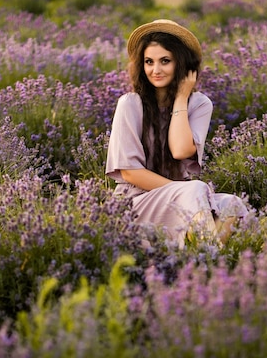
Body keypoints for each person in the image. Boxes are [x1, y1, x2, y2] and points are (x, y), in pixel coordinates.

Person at [106, 19, 248, 248]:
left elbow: (180, 149)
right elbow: (131, 173)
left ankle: (198, 255)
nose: (155, 70)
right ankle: (211, 259)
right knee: (196, 188)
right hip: (135, 203)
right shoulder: (130, 104)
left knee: (232, 203)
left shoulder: (200, 104)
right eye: (149, 62)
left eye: (165, 61)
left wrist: (181, 98)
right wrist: (186, 193)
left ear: (181, 64)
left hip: (184, 198)